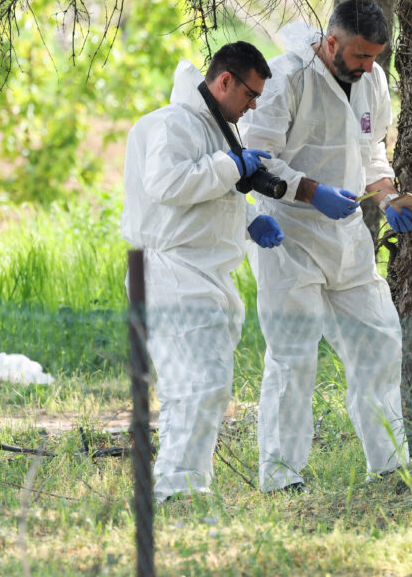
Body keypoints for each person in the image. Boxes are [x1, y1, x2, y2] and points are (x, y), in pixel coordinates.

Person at [239, 0, 412, 492]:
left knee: (379, 343)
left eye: (376, 56)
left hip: (348, 237)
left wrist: (388, 195)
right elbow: (257, 160)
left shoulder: (372, 79)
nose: (368, 66)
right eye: (360, 56)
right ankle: (280, 474)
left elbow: (371, 147)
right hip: (289, 234)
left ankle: (390, 465)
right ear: (331, 43)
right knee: (294, 356)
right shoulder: (286, 79)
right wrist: (313, 192)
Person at [121, 42, 285, 502]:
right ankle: (176, 490)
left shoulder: (214, 127)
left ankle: (185, 486)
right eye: (250, 94)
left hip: (200, 274)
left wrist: (250, 219)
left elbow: (207, 194)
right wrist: (231, 165)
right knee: (196, 386)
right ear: (224, 80)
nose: (253, 105)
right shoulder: (174, 123)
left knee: (207, 387)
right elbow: (169, 184)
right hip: (170, 273)